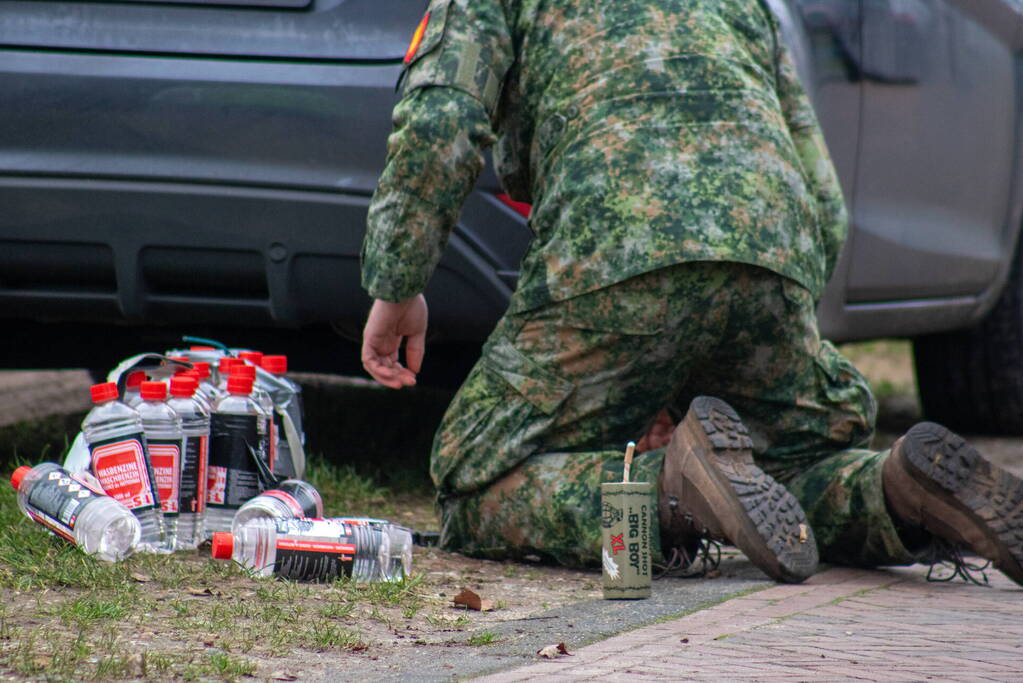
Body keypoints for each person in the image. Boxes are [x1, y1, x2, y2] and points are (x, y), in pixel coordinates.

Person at [360, 0, 1023, 585]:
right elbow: (823, 196)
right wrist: (777, 326)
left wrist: (398, 286)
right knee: (790, 461)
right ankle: (892, 490)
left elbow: (437, 125)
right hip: (772, 248)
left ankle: (671, 492)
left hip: (616, 249)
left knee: (473, 478)